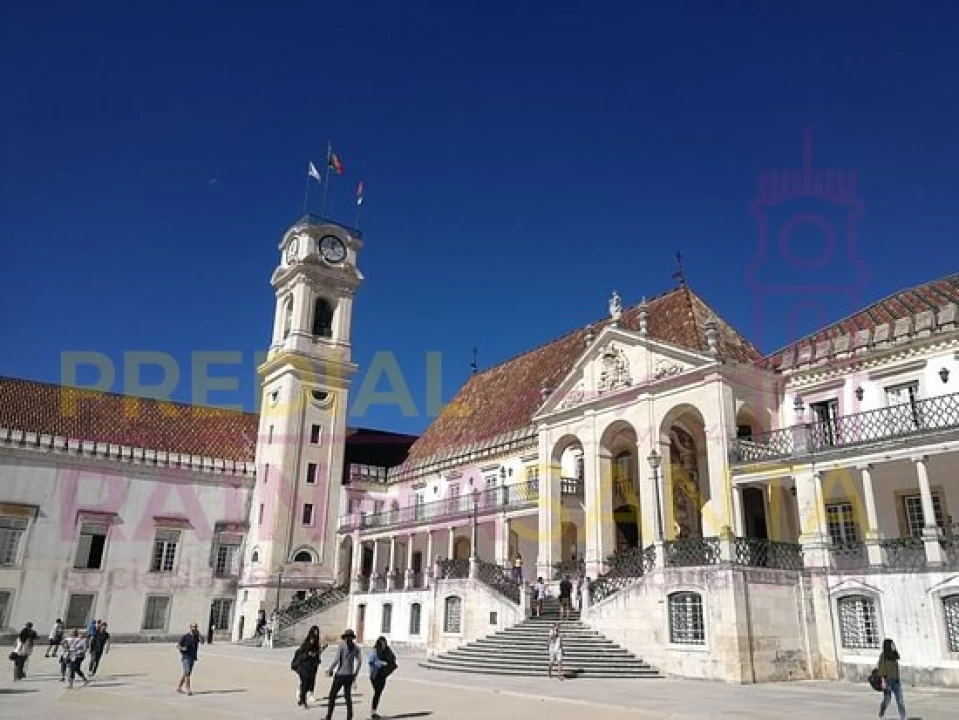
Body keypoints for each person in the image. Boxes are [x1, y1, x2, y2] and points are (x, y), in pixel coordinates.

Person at [324, 629, 361, 720]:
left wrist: (329, 670)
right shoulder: (356, 648)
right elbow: (359, 662)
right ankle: (349, 717)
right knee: (347, 697)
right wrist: (355, 675)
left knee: (332, 695)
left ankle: (329, 716)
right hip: (349, 675)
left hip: (340, 674)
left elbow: (337, 660)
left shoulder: (341, 646)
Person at [292, 625, 323, 708]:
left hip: (312, 666)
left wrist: (318, 653)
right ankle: (304, 700)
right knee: (305, 682)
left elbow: (317, 654)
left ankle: (302, 699)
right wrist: (310, 653)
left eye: (317, 632)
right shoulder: (307, 642)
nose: (316, 634)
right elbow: (303, 652)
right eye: (314, 632)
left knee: (308, 682)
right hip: (304, 666)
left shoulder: (316, 643)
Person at [876, 638, 907, 720]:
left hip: (896, 681)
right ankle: (882, 712)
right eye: (892, 644)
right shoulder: (883, 656)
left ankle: (903, 717)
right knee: (887, 700)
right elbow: (881, 668)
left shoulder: (894, 655)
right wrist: (883, 681)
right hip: (887, 681)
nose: (893, 646)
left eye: (893, 644)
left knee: (900, 700)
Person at [368, 636, 397, 719]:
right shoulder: (374, 651)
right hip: (375, 674)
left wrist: (390, 663)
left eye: (385, 644)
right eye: (382, 644)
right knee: (377, 693)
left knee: (378, 693)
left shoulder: (388, 650)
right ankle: (373, 712)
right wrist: (381, 663)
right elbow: (371, 661)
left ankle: (373, 711)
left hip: (383, 675)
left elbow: (393, 658)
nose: (384, 646)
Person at [176, 622, 203, 695]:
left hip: (193, 657)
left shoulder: (196, 637)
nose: (195, 628)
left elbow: (202, 641)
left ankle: (179, 687)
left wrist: (199, 634)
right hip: (185, 656)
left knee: (186, 673)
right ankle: (188, 689)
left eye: (196, 627)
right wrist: (182, 648)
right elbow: (178, 645)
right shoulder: (185, 636)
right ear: (190, 627)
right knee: (187, 672)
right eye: (193, 627)